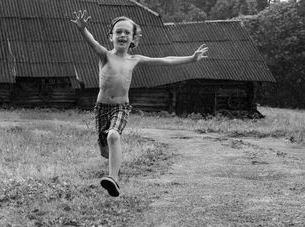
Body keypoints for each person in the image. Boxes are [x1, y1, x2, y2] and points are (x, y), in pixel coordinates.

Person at [71, 10, 208, 197]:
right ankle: (115, 163)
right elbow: (92, 41)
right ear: (111, 37)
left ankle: (113, 179)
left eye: (127, 32)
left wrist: (191, 59)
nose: (122, 35)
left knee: (113, 136)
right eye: (118, 32)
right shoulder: (105, 55)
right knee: (106, 151)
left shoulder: (135, 60)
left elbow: (166, 60)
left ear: (133, 39)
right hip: (101, 108)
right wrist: (82, 29)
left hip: (121, 107)